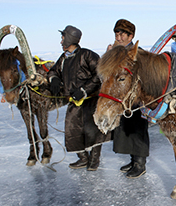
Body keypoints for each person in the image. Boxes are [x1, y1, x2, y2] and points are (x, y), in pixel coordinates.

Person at [48, 25, 111, 171]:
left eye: (63, 37)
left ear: (70, 38)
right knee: (72, 130)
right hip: (73, 101)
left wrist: (84, 90)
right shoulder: (64, 58)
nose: (61, 40)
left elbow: (99, 74)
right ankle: (83, 158)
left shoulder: (87, 55)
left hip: (91, 101)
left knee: (93, 131)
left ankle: (94, 160)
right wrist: (54, 79)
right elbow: (53, 71)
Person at [107, 19, 150, 179]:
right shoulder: (116, 52)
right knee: (125, 129)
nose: (118, 37)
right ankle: (133, 160)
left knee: (137, 129)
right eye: (116, 34)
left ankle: (140, 163)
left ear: (130, 36)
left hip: (136, 99)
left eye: (121, 34)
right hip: (121, 99)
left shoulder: (137, 53)